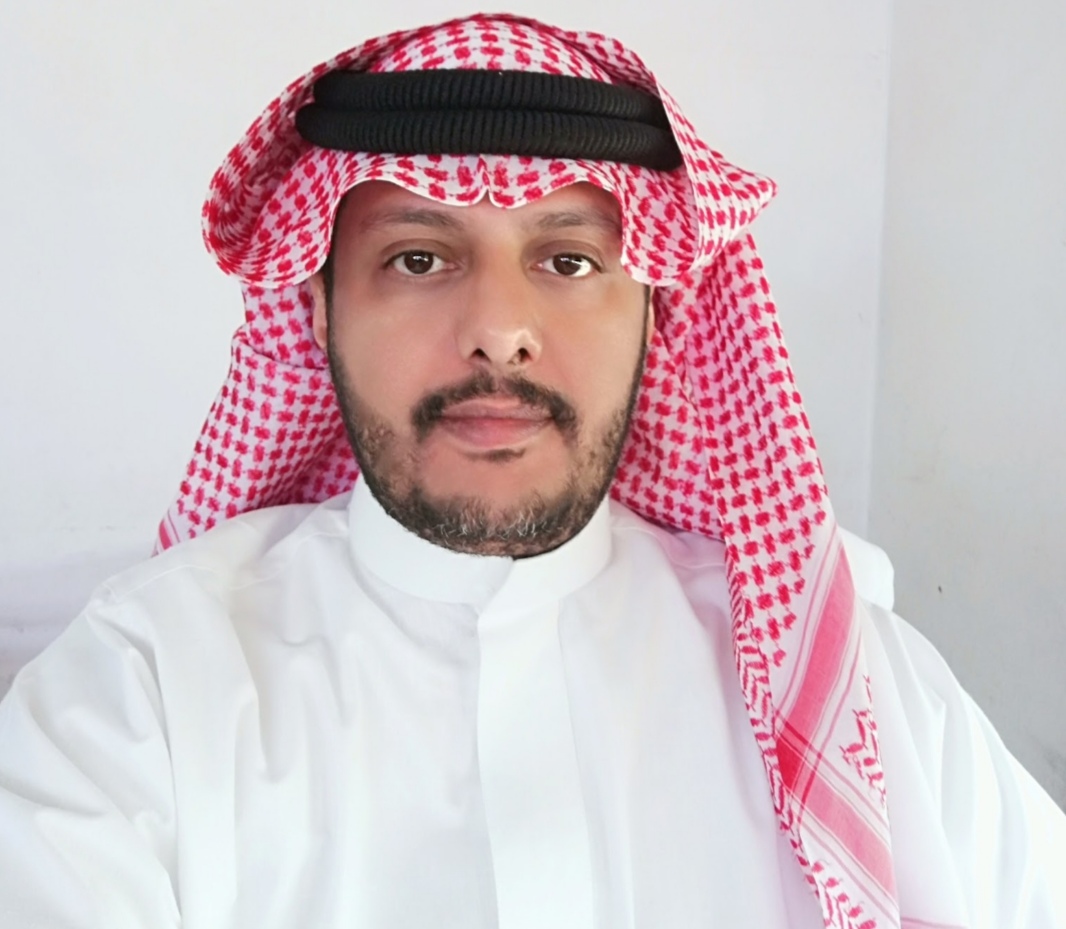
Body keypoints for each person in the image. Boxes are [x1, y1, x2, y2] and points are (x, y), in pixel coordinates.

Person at [0, 13, 1063, 929]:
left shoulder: (861, 692)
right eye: (419, 257)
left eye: (568, 260)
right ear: (316, 307)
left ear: (655, 307)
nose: (501, 329)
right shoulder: (140, 694)